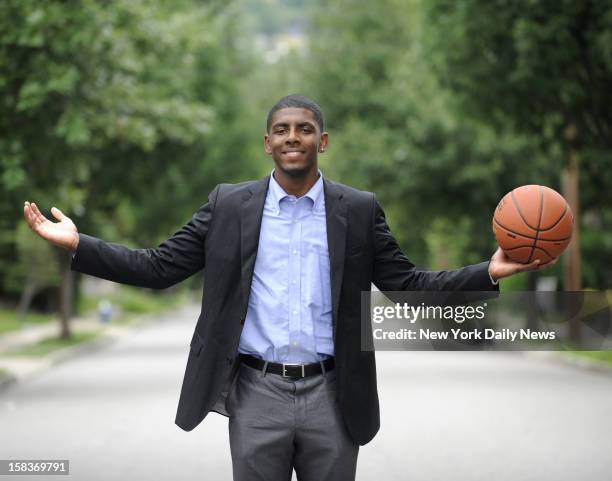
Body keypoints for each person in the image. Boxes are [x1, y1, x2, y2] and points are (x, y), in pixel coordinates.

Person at [23, 94, 554, 481]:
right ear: (267, 142)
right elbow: (160, 266)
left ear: (322, 141)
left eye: (304, 129)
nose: (293, 137)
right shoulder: (229, 205)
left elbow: (408, 284)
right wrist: (78, 245)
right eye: (282, 129)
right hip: (256, 393)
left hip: (334, 393)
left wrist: (487, 272)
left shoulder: (359, 209)